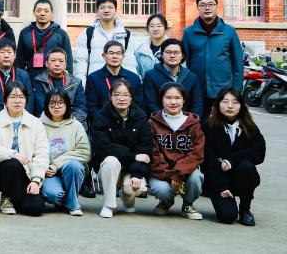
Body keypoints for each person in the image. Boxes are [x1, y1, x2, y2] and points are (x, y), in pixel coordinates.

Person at [203, 87, 265, 226]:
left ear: (241, 106)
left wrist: (232, 159)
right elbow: (208, 161)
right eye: (225, 102)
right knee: (227, 216)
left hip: (240, 177)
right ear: (218, 104)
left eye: (235, 102)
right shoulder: (208, 127)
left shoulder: (249, 126)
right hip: (218, 180)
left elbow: (259, 152)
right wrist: (221, 187)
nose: (230, 106)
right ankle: (226, 199)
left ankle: (245, 210)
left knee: (247, 166)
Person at [90, 79, 151, 218]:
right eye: (117, 94)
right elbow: (103, 147)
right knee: (111, 160)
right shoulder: (100, 116)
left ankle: (128, 199)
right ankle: (109, 205)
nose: (121, 98)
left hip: (131, 167)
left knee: (132, 189)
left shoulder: (140, 117)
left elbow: (144, 148)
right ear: (110, 96)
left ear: (131, 97)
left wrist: (136, 173)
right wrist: (133, 156)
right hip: (109, 167)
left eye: (125, 95)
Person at [0, 82, 48, 216]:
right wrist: (13, 154)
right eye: (12, 97)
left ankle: (16, 199)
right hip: (2, 172)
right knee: (13, 164)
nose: (17, 101)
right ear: (5, 100)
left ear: (26, 100)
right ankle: (6, 197)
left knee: (36, 208)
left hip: (26, 172)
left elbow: (41, 154)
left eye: (21, 97)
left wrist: (36, 180)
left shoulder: (36, 123)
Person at [148, 83, 205, 220]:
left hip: (186, 171)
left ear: (184, 100)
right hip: (162, 171)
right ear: (161, 100)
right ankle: (166, 202)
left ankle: (188, 205)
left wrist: (178, 174)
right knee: (161, 189)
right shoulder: (152, 123)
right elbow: (154, 153)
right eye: (168, 98)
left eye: (177, 98)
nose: (173, 102)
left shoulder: (194, 124)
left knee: (196, 178)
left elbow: (196, 153)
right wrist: (170, 175)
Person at [182, 0, 244, 118]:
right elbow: (184, 62)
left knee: (222, 125)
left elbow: (237, 63)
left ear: (216, 6)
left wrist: (236, 90)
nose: (207, 8)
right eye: (203, 5)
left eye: (211, 4)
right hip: (198, 90)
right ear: (198, 8)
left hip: (223, 91)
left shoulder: (229, 31)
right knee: (199, 124)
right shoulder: (189, 33)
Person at [39, 89, 91, 216]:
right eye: (52, 103)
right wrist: (44, 168)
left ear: (67, 105)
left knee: (74, 165)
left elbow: (85, 152)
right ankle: (64, 199)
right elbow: (34, 151)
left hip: (70, 170)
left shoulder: (76, 125)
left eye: (60, 103)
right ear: (47, 105)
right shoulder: (38, 124)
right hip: (49, 172)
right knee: (53, 195)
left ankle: (73, 204)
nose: (56, 106)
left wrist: (56, 165)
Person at [73, 0, 135, 80]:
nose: (106, 10)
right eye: (102, 7)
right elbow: (81, 63)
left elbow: (130, 64)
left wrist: (130, 84)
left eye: (110, 7)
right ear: (97, 11)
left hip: (120, 84)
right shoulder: (88, 34)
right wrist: (82, 86)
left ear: (116, 10)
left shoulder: (125, 35)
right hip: (95, 83)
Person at [142, 38, 203, 117]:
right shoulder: (151, 75)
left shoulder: (191, 77)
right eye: (168, 52)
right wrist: (163, 120)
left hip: (186, 121)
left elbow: (197, 104)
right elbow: (151, 103)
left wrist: (190, 120)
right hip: (160, 121)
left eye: (176, 52)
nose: (172, 56)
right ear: (162, 55)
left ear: (182, 55)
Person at [85, 40, 144, 121]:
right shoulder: (93, 78)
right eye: (111, 53)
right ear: (104, 56)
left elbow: (139, 105)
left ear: (123, 56)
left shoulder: (133, 78)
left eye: (118, 53)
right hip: (103, 123)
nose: (115, 56)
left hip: (129, 123)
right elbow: (92, 107)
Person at [16, 0, 74, 80]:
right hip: (31, 78)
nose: (42, 13)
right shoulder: (25, 33)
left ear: (52, 13)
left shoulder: (61, 34)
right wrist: (20, 81)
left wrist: (68, 81)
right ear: (33, 12)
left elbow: (69, 61)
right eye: (39, 10)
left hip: (54, 79)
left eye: (46, 11)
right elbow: (20, 61)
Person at [31, 48, 87, 124]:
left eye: (61, 61)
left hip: (71, 123)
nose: (57, 64)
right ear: (46, 63)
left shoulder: (76, 82)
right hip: (47, 123)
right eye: (53, 60)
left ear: (66, 64)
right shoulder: (39, 81)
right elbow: (41, 107)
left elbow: (81, 108)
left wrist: (70, 123)